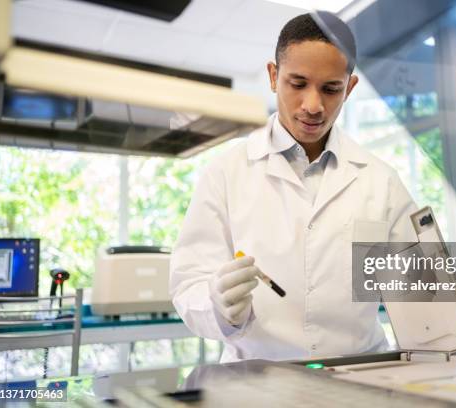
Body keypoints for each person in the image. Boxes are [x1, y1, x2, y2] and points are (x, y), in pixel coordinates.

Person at [170, 12, 417, 363]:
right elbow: (188, 284)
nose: (313, 106)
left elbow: (419, 295)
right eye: (298, 83)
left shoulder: (382, 181)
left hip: (361, 378)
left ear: (349, 88)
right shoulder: (225, 173)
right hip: (258, 383)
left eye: (331, 89)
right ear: (274, 76)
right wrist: (217, 304)